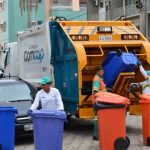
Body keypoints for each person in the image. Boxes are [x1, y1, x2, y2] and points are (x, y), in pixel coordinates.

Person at [92, 66, 106, 140]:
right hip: (98, 101)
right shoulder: (97, 79)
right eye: (101, 71)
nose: (102, 73)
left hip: (100, 101)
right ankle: (96, 135)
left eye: (103, 71)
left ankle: (97, 134)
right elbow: (95, 91)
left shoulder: (100, 78)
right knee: (97, 118)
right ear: (97, 72)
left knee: (98, 118)